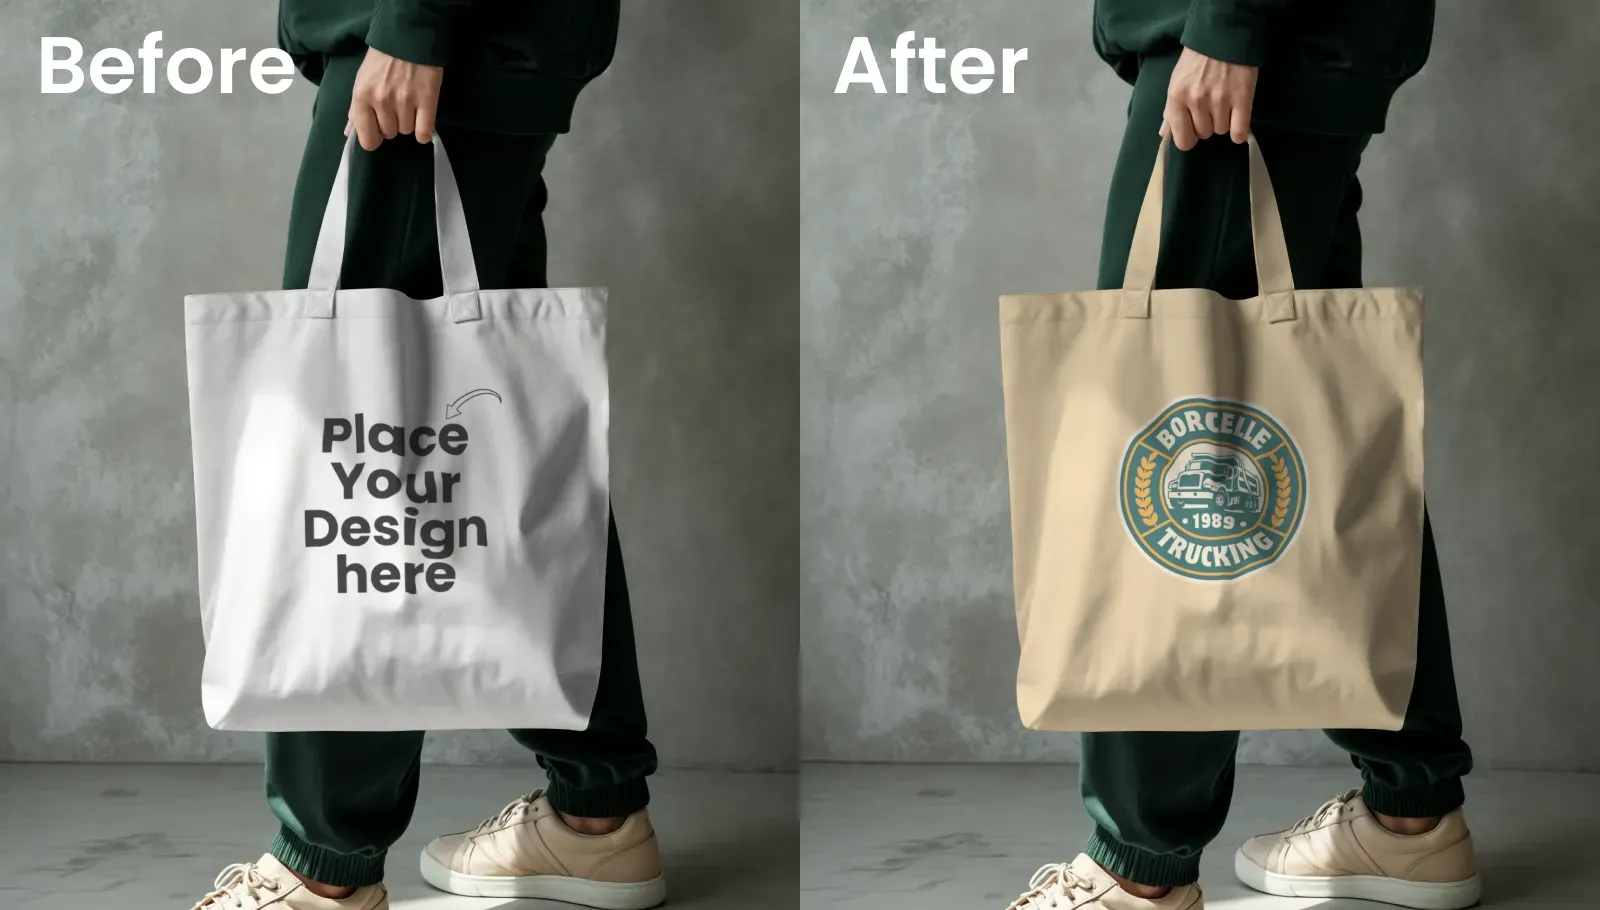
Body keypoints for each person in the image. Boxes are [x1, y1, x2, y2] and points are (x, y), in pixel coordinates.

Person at [190, 4, 666, 909]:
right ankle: (596, 814)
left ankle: (320, 867)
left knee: (357, 451)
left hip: (433, 35)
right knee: (493, 453)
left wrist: (410, 22)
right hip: (479, 37)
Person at [1005, 3, 1477, 909]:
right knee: (1318, 444)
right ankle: (1411, 813)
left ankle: (1136, 868)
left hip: (1250, 34)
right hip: (1298, 37)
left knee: (1173, 433)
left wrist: (1225, 21)